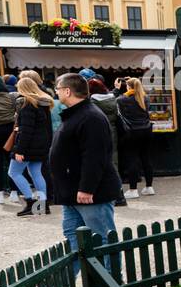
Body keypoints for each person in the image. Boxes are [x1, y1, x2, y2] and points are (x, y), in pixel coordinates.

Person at [50, 73, 122, 265]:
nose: (56, 92)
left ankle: (111, 284)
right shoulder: (75, 114)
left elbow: (94, 157)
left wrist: (87, 188)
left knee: (102, 238)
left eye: (57, 89)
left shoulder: (91, 117)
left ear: (67, 91)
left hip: (90, 193)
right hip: (71, 191)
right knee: (73, 239)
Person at [8, 74, 54, 216]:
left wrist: (19, 150)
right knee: (36, 174)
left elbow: (27, 130)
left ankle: (30, 202)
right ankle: (42, 205)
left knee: (13, 172)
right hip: (41, 144)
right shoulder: (43, 103)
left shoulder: (28, 104)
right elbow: (46, 128)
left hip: (28, 145)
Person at [87, 76, 128, 207]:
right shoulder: (112, 99)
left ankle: (105, 193)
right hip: (113, 133)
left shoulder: (91, 102)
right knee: (113, 162)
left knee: (98, 163)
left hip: (98, 133)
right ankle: (119, 194)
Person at [118, 76, 155, 198]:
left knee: (132, 159)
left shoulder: (123, 99)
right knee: (146, 158)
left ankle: (133, 189)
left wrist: (117, 89)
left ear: (128, 87)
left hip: (132, 132)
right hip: (147, 130)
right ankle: (149, 187)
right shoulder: (145, 98)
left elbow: (116, 103)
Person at [0, 72, 18, 205]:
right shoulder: (12, 97)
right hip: (10, 131)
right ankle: (14, 193)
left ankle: (0, 194)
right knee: (12, 161)